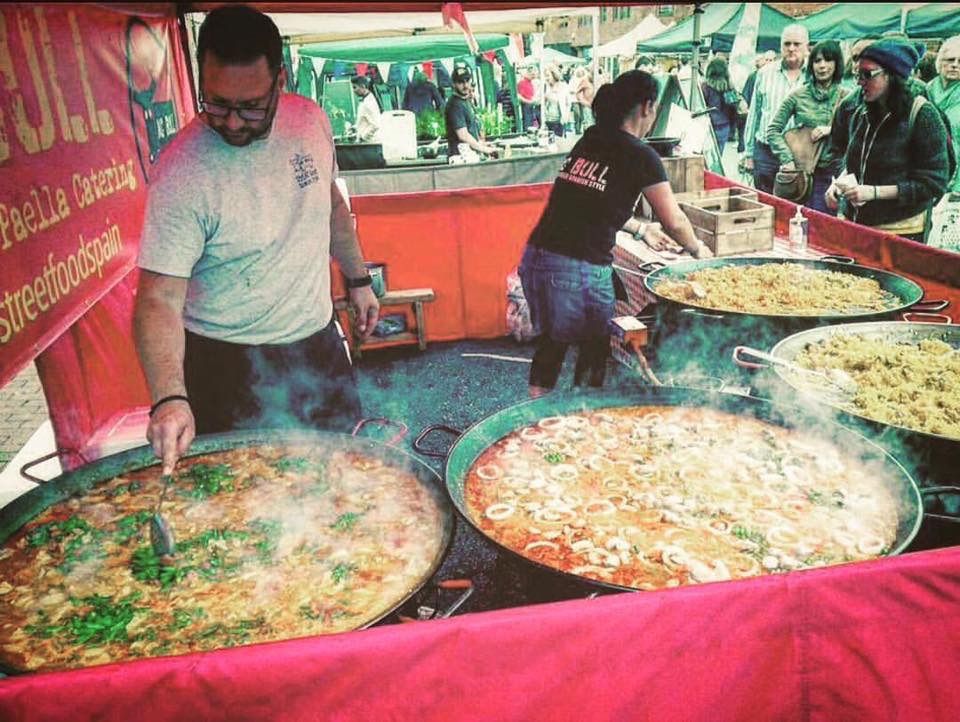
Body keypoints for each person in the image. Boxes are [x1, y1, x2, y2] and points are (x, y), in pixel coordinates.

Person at [133, 5, 380, 474]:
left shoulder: (310, 122)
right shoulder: (183, 171)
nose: (231, 122)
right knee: (241, 501)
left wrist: (358, 278)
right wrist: (169, 398)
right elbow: (157, 301)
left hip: (315, 346)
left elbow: (329, 205)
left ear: (279, 81)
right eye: (217, 104)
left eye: (250, 107)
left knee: (345, 478)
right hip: (225, 365)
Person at [517, 71, 712, 399]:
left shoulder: (591, 138)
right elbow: (674, 219)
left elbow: (590, 203)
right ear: (647, 107)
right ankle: (584, 418)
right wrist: (697, 250)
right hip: (576, 268)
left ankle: (535, 420)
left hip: (537, 258)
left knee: (552, 343)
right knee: (594, 349)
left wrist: (639, 228)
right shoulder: (641, 154)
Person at [825, 39, 950, 242]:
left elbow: (933, 184)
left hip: (900, 233)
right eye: (858, 74)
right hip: (858, 227)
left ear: (892, 76)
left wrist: (874, 193)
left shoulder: (922, 115)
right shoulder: (861, 112)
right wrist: (839, 184)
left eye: (868, 75)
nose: (859, 82)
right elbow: (851, 161)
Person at [767, 41, 848, 214]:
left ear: (837, 64)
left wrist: (831, 130)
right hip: (802, 176)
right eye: (817, 61)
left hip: (836, 175)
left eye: (828, 60)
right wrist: (787, 159)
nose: (822, 66)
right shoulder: (798, 95)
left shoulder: (847, 97)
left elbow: (858, 134)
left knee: (828, 230)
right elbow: (773, 130)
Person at [743, 24, 810, 193]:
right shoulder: (765, 73)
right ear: (781, 46)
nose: (791, 49)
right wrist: (749, 154)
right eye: (787, 44)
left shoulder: (814, 75)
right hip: (766, 153)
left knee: (797, 207)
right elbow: (754, 115)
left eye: (797, 44)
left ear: (806, 47)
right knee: (765, 203)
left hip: (800, 153)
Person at [927, 36, 960, 195]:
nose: (955, 65)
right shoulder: (925, 90)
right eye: (950, 60)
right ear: (939, 63)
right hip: (928, 170)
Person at [444, 66, 497, 158]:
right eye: (461, 82)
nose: (465, 85)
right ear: (454, 84)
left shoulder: (465, 101)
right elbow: (463, 135)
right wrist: (484, 149)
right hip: (460, 158)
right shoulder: (455, 105)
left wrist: (482, 144)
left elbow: (471, 130)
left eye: (467, 81)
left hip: (469, 155)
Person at [700, 58, 741, 154]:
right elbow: (734, 108)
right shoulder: (730, 87)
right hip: (724, 126)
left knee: (706, 157)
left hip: (708, 126)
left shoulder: (705, 87)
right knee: (718, 157)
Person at [542, 64, 571, 137]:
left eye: (548, 75)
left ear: (554, 75)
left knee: (558, 141)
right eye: (545, 76)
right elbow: (539, 101)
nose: (546, 78)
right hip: (546, 120)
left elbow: (568, 103)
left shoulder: (563, 86)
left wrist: (565, 117)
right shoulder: (544, 87)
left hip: (559, 120)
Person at [351, 75, 381, 142]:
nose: (353, 91)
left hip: (370, 142)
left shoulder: (369, 103)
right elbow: (365, 120)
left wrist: (363, 136)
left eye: (355, 87)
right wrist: (355, 127)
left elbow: (376, 124)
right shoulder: (366, 100)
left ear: (363, 86)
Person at [570, 65, 594, 134]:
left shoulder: (595, 79)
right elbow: (577, 91)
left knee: (583, 117)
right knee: (578, 115)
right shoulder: (583, 80)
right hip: (578, 102)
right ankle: (578, 129)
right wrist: (582, 100)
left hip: (592, 104)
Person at [517, 65, 541, 131]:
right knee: (528, 125)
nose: (534, 76)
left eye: (535, 75)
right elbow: (519, 97)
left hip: (533, 106)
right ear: (528, 72)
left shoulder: (532, 82)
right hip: (527, 107)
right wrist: (529, 102)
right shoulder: (522, 83)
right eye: (532, 74)